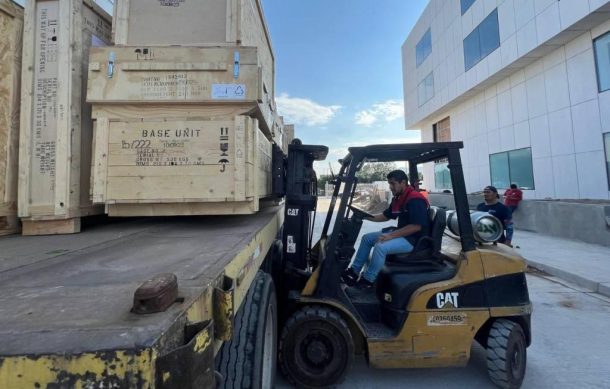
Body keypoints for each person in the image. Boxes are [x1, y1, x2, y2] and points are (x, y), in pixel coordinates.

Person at [341, 170, 430, 291]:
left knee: (381, 246)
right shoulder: (400, 197)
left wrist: (391, 236)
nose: (390, 187)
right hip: (403, 234)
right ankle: (353, 272)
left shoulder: (415, 199)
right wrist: (365, 216)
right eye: (389, 184)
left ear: (403, 182)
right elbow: (386, 216)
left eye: (393, 183)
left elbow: (416, 227)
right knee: (367, 238)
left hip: (414, 239)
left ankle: (367, 281)